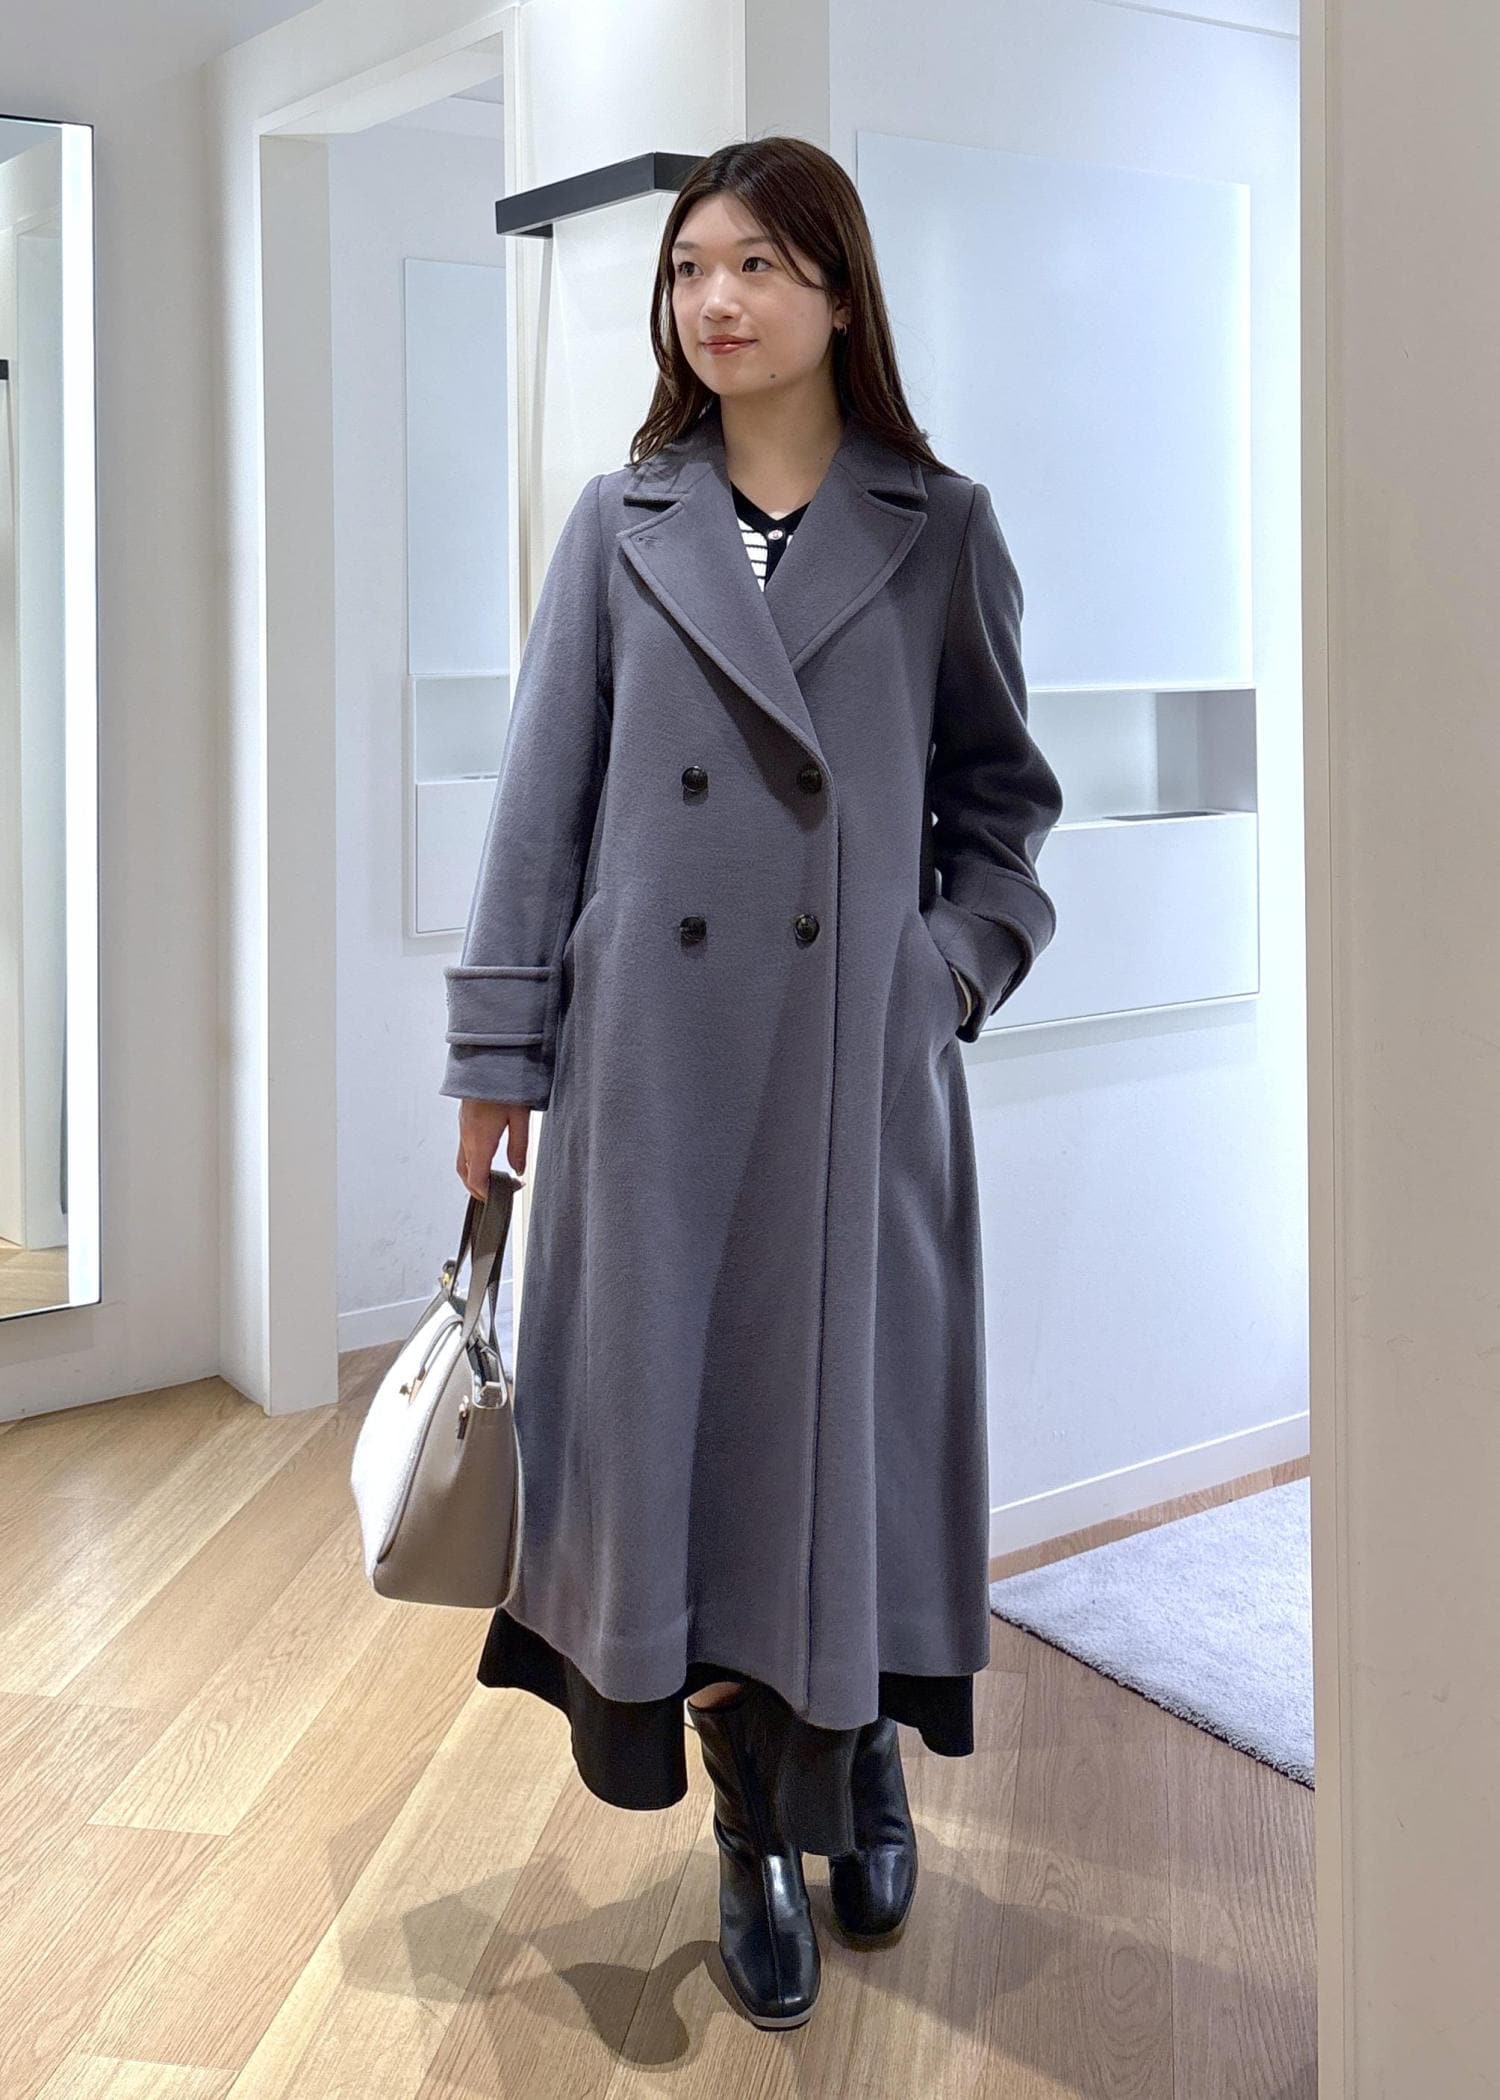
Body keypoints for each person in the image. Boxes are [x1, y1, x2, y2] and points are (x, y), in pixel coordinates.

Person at [440, 135, 1064, 2031]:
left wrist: (940, 973)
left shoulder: (936, 526)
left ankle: (856, 1754)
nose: (714, 300)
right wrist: (497, 1058)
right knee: (680, 1455)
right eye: (691, 268)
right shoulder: (620, 522)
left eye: (759, 267)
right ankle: (743, 1826)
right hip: (652, 1079)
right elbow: (540, 809)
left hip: (853, 1085)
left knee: (838, 1440)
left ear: (840, 294)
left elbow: (1004, 811)